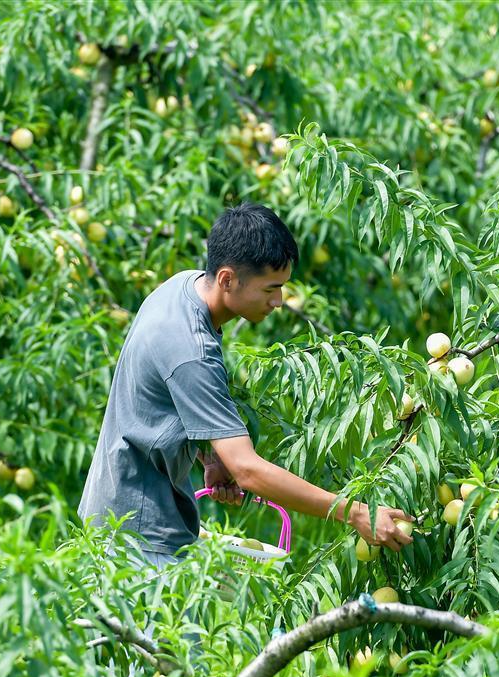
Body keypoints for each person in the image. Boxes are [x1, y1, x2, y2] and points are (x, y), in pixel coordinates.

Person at [77, 202, 415, 571]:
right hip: (138, 538)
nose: (279, 302)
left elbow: (170, 397)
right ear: (227, 280)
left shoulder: (183, 287)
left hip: (116, 515)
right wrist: (354, 512)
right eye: (270, 289)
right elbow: (248, 470)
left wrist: (210, 454)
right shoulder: (190, 348)